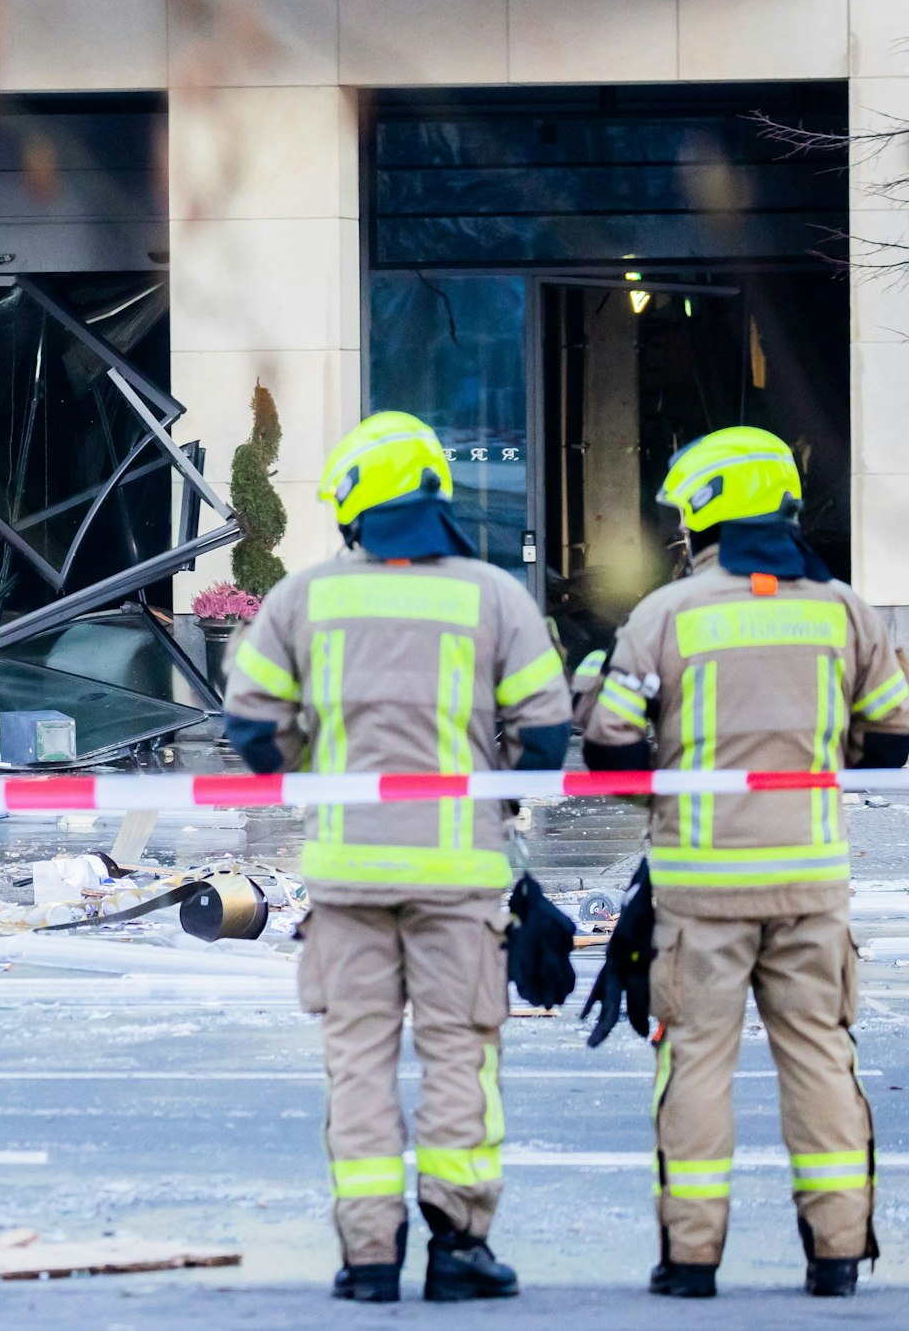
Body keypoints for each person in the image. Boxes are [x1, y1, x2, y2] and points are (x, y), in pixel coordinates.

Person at [224, 411, 572, 1302]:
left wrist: (309, 768)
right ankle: (458, 1251)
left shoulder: (304, 597)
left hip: (346, 880)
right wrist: (500, 795)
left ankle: (369, 1257)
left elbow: (252, 727)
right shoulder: (494, 595)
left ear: (355, 508)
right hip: (459, 879)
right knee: (461, 1055)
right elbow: (546, 729)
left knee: (359, 1062)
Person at [581, 426, 909, 1299]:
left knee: (694, 1064)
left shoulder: (666, 614)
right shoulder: (842, 608)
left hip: (700, 889)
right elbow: (894, 737)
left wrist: (663, 794)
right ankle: (836, 1256)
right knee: (819, 1060)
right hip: (809, 885)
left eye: (688, 512)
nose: (682, 529)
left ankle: (690, 1261)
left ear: (715, 508)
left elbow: (610, 745)